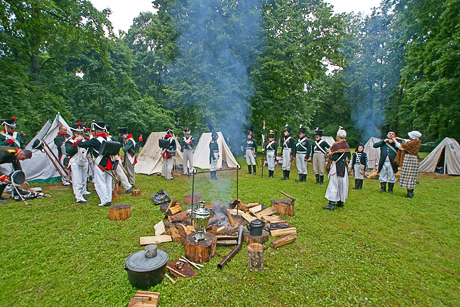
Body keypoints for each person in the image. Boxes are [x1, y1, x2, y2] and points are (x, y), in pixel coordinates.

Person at [75, 121, 114, 207]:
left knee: (100, 182)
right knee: (108, 182)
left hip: (100, 163)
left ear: (96, 131)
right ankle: (109, 198)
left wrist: (78, 140)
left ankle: (104, 200)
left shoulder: (95, 140)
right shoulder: (109, 139)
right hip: (109, 163)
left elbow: (82, 144)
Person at [323, 127, 351, 211]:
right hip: (343, 166)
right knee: (342, 184)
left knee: (333, 184)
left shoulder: (336, 145)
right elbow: (348, 156)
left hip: (336, 166)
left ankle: (331, 204)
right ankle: (340, 201)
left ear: (338, 136)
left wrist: (329, 153)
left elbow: (334, 157)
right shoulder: (346, 145)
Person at [65, 123, 91, 203]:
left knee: (84, 177)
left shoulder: (84, 140)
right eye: (77, 133)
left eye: (80, 133)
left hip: (83, 159)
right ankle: (78, 196)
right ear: (74, 133)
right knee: (77, 179)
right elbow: (69, 151)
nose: (79, 135)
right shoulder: (69, 141)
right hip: (75, 161)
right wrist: (76, 142)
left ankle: (84, 190)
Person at [393, 131, 422, 198]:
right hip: (414, 158)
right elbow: (408, 141)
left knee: (408, 175)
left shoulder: (412, 143)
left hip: (409, 158)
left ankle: (409, 193)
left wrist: (395, 140)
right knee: (412, 175)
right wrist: (401, 139)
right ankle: (411, 192)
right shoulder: (418, 141)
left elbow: (400, 146)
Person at [373, 130, 401, 194]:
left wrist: (394, 142)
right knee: (382, 174)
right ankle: (383, 188)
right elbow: (375, 145)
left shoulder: (397, 142)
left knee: (391, 175)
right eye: (389, 133)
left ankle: (390, 189)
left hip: (392, 162)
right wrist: (384, 141)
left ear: (395, 135)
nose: (391, 135)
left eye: (392, 134)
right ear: (387, 135)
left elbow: (401, 147)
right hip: (383, 161)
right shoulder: (383, 141)